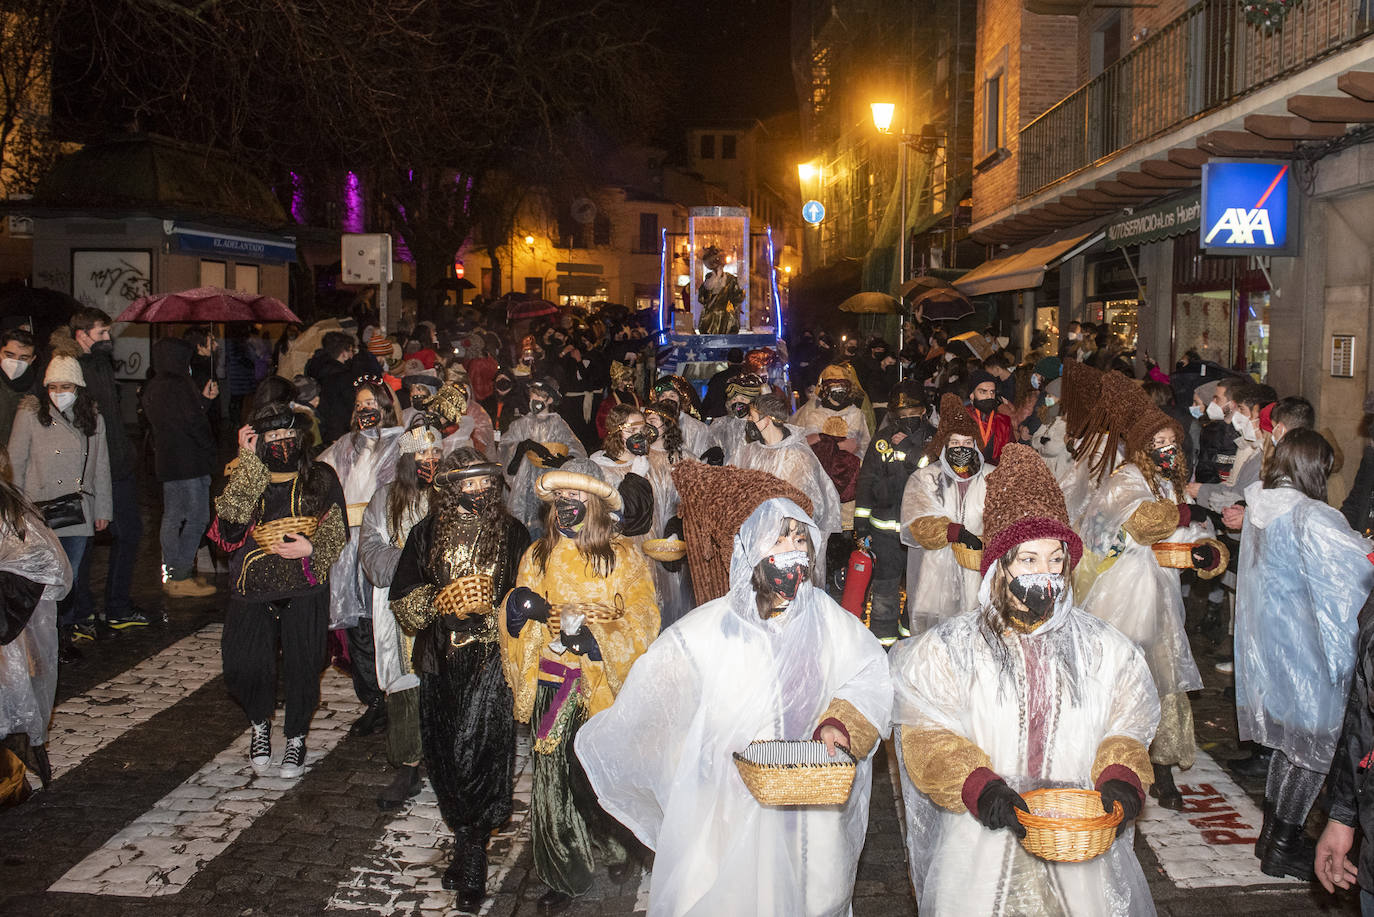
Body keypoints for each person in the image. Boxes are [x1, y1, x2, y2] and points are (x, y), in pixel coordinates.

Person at [576, 498, 892, 916]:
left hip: (812, 798)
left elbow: (868, 672)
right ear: (756, 552)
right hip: (735, 803)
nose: (795, 549)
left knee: (811, 896)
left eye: (802, 539)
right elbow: (658, 695)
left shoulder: (826, 619)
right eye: (782, 539)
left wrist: (840, 722)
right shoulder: (711, 629)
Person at [892, 444, 1159, 916]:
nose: (1047, 574)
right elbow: (925, 732)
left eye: (1056, 560)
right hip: (984, 839)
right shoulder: (951, 649)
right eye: (1029, 560)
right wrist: (978, 785)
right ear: (999, 567)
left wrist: (1120, 775)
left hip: (1074, 838)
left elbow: (1129, 720)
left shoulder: (1104, 648)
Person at [498, 460, 659, 915]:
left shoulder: (624, 557)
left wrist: (597, 641)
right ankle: (563, 869)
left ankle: (619, 847)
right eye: (560, 500)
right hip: (554, 682)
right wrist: (516, 613)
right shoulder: (537, 556)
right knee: (552, 779)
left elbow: (645, 618)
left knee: (598, 775)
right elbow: (518, 611)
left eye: (577, 499)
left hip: (602, 688)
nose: (567, 507)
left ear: (595, 506)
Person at [388, 449, 530, 908]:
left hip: (491, 659)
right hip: (441, 659)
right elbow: (404, 596)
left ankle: (473, 856)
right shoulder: (425, 533)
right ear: (450, 488)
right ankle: (465, 834)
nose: (477, 492)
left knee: (480, 750)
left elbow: (528, 596)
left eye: (484, 482)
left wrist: (498, 613)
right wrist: (439, 601)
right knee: (446, 754)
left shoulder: (512, 533)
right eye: (467, 485)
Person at [1234, 429, 1374, 880]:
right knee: (1313, 751)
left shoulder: (1265, 506)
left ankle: (1271, 836)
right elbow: (1353, 567)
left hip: (1277, 647)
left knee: (1288, 746)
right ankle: (1283, 844)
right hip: (1310, 653)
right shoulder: (1311, 515)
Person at [1075, 408, 1225, 809]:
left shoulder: (1167, 483)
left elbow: (1182, 536)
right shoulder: (1125, 480)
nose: (1166, 450)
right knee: (1119, 677)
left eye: (1171, 443)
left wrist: (1204, 549)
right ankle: (1104, 759)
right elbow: (1144, 523)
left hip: (1160, 595)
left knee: (1162, 678)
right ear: (1141, 448)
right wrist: (1188, 509)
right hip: (1120, 593)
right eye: (1157, 444)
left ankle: (1162, 770)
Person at [208, 404, 347, 777]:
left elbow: (337, 528)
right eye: (272, 437)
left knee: (304, 665)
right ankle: (259, 725)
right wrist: (248, 463)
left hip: (303, 587)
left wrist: (313, 549)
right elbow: (229, 533)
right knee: (243, 664)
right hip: (252, 588)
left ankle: (297, 737)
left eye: (288, 436)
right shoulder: (244, 476)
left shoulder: (320, 476)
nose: (282, 443)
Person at [357, 414, 443, 812]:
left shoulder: (451, 494)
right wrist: (411, 561)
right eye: (422, 452)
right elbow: (371, 551)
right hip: (398, 605)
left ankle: (445, 762)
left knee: (444, 678)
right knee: (406, 682)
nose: (430, 458)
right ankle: (407, 766)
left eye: (435, 451)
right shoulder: (385, 498)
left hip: (444, 602)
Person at [8, 355, 112, 661]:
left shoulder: (93, 417)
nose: (58, 392)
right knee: (41, 575)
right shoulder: (30, 413)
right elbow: (15, 461)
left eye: (65, 386)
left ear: (77, 387)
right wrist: (15, 507)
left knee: (71, 575)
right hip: (37, 509)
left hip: (78, 508)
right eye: (53, 386)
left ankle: (62, 631)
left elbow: (101, 466)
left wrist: (103, 509)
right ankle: (42, 633)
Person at [317, 378, 405, 737]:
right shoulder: (343, 447)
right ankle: (373, 700)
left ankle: (394, 696)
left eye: (372, 403)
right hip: (345, 547)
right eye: (360, 405)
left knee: (381, 624)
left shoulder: (398, 444)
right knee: (357, 630)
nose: (366, 410)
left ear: (385, 407)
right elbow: (320, 476)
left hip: (377, 542)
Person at [59, 309, 147, 631]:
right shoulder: (71, 368)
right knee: (84, 539)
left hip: (117, 463)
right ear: (81, 335)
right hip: (92, 468)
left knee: (128, 532)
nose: (108, 338)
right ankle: (82, 613)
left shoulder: (100, 364)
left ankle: (116, 606)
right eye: (102, 333)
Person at [0, 466, 73, 802]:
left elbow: (49, 563)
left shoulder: (12, 511)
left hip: (10, 640)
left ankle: (9, 781)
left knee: (9, 710)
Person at [900, 394, 992, 637]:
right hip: (936, 576)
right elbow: (918, 522)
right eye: (954, 443)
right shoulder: (926, 478)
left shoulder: (993, 478)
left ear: (976, 446)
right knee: (937, 641)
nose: (961, 448)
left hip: (978, 576)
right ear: (944, 446)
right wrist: (956, 532)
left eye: (967, 442)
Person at [854, 381, 931, 643]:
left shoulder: (935, 439)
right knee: (884, 594)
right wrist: (861, 527)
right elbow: (865, 483)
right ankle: (882, 648)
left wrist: (909, 448)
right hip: (884, 533)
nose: (908, 419)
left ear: (924, 411)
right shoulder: (882, 441)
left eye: (913, 413)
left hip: (921, 534)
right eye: (901, 415)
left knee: (919, 595)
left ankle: (909, 646)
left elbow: (936, 470)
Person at [142, 338, 219, 598]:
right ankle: (181, 573)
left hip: (168, 461)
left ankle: (175, 573)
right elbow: (193, 423)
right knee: (197, 518)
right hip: (190, 463)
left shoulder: (155, 385)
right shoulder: (178, 385)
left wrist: (204, 400)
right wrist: (210, 446)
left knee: (173, 516)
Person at [735, 393, 842, 541]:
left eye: (752, 416)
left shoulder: (798, 456)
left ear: (766, 420)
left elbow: (801, 504)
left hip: (789, 538)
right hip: (756, 535)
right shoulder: (749, 451)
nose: (748, 420)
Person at [499, 377, 585, 539]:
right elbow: (505, 455)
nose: (535, 400)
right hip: (524, 492)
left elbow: (577, 451)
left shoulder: (559, 425)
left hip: (552, 489)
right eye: (533, 395)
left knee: (550, 532)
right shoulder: (520, 425)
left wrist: (564, 461)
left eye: (540, 396)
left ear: (550, 399)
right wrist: (522, 447)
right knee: (525, 535)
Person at [315, 331, 361, 445]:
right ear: (343, 353)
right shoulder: (344, 376)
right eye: (350, 351)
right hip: (340, 433)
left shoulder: (318, 369)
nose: (352, 355)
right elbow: (351, 404)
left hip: (324, 430)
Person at [0, 329, 38, 446]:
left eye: (23, 358)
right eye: (9, 355)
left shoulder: (38, 392)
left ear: (32, 360)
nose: (15, 362)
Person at [966, 370, 1013, 464]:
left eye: (992, 392)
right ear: (972, 395)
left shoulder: (1004, 422)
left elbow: (1011, 454)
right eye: (983, 392)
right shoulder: (961, 418)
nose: (989, 396)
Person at [696, 245, 742, 335]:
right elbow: (702, 298)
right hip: (711, 321)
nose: (717, 268)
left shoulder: (730, 279)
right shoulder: (709, 279)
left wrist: (741, 287)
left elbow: (737, 298)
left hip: (727, 319)